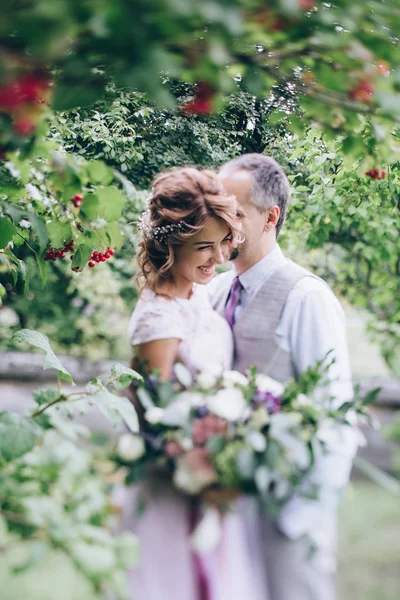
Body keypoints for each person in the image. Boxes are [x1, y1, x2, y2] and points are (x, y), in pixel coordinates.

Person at [208, 153, 359, 600]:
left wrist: (296, 520)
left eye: (233, 212)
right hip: (223, 511)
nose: (219, 223)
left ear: (270, 217)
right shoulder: (213, 291)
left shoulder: (307, 298)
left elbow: (337, 419)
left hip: (288, 516)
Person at [123, 166, 266, 600]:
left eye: (225, 241)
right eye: (204, 247)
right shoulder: (158, 319)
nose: (220, 258)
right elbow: (155, 418)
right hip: (174, 488)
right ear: (170, 244)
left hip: (207, 484)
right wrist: (205, 470)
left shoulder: (197, 292)